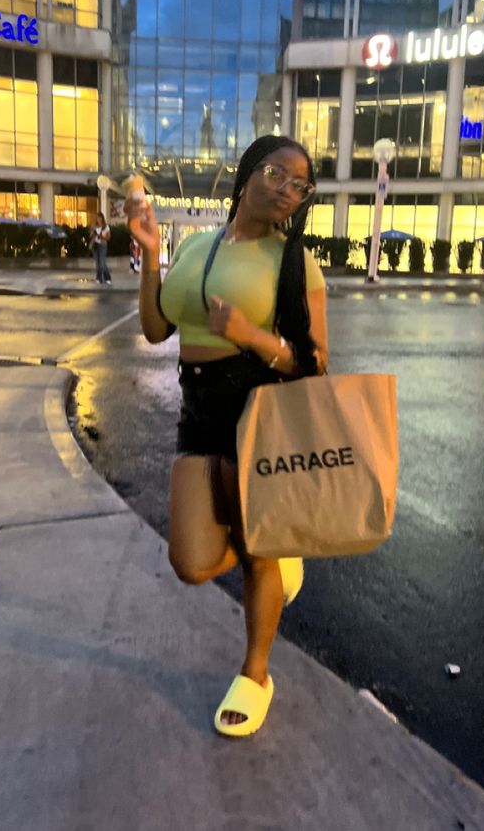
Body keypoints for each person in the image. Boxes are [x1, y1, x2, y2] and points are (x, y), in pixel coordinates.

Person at [124, 134, 328, 737]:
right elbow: (157, 328)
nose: (289, 191)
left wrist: (250, 333)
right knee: (190, 561)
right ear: (247, 175)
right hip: (199, 413)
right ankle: (272, 551)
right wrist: (153, 256)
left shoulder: (294, 261)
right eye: (278, 175)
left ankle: (256, 673)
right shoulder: (197, 247)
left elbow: (314, 362)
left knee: (256, 555)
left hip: (255, 413)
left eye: (301, 185)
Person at [90, 212, 112, 284]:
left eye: (100, 218)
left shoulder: (106, 227)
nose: (98, 219)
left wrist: (102, 236)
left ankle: (107, 278)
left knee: (102, 262)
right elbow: (91, 236)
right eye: (97, 218)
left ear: (102, 219)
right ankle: (99, 278)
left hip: (103, 246)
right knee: (98, 263)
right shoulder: (94, 226)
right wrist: (93, 233)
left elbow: (108, 237)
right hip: (95, 246)